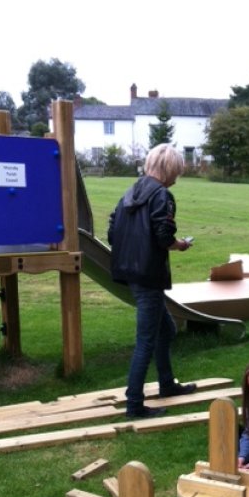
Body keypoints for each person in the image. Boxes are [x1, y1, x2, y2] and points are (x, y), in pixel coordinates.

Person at [108, 144, 197, 418]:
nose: (177, 178)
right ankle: (134, 404)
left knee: (166, 331)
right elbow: (163, 236)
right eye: (177, 172)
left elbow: (112, 232)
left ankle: (167, 384)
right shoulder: (162, 196)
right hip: (149, 277)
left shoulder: (129, 193)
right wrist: (179, 245)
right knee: (145, 341)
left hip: (130, 273)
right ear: (170, 170)